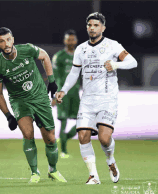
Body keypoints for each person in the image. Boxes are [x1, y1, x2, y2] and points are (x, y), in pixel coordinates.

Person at [56, 12, 137, 184]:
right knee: (83, 136)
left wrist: (115, 64)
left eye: (96, 25)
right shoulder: (81, 49)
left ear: (103, 28)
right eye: (89, 25)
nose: (92, 28)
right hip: (87, 100)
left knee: (104, 138)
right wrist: (63, 90)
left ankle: (110, 161)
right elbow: (74, 73)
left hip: (107, 100)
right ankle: (93, 176)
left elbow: (133, 62)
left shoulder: (113, 46)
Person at [0, 27, 67, 183]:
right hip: (20, 101)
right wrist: (8, 116)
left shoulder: (27, 49)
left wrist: (51, 82)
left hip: (40, 97)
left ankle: (53, 170)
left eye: (8, 39)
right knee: (27, 134)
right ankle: (34, 173)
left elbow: (45, 56)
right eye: (1, 41)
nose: (6, 44)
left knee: (51, 138)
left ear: (13, 39)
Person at [52, 29, 80, 159]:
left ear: (76, 41)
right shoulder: (59, 57)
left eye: (72, 39)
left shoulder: (80, 56)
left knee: (81, 122)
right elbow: (55, 77)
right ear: (65, 40)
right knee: (63, 121)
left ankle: (64, 138)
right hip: (63, 94)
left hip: (75, 94)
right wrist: (55, 94)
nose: (71, 42)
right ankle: (63, 151)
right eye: (68, 39)